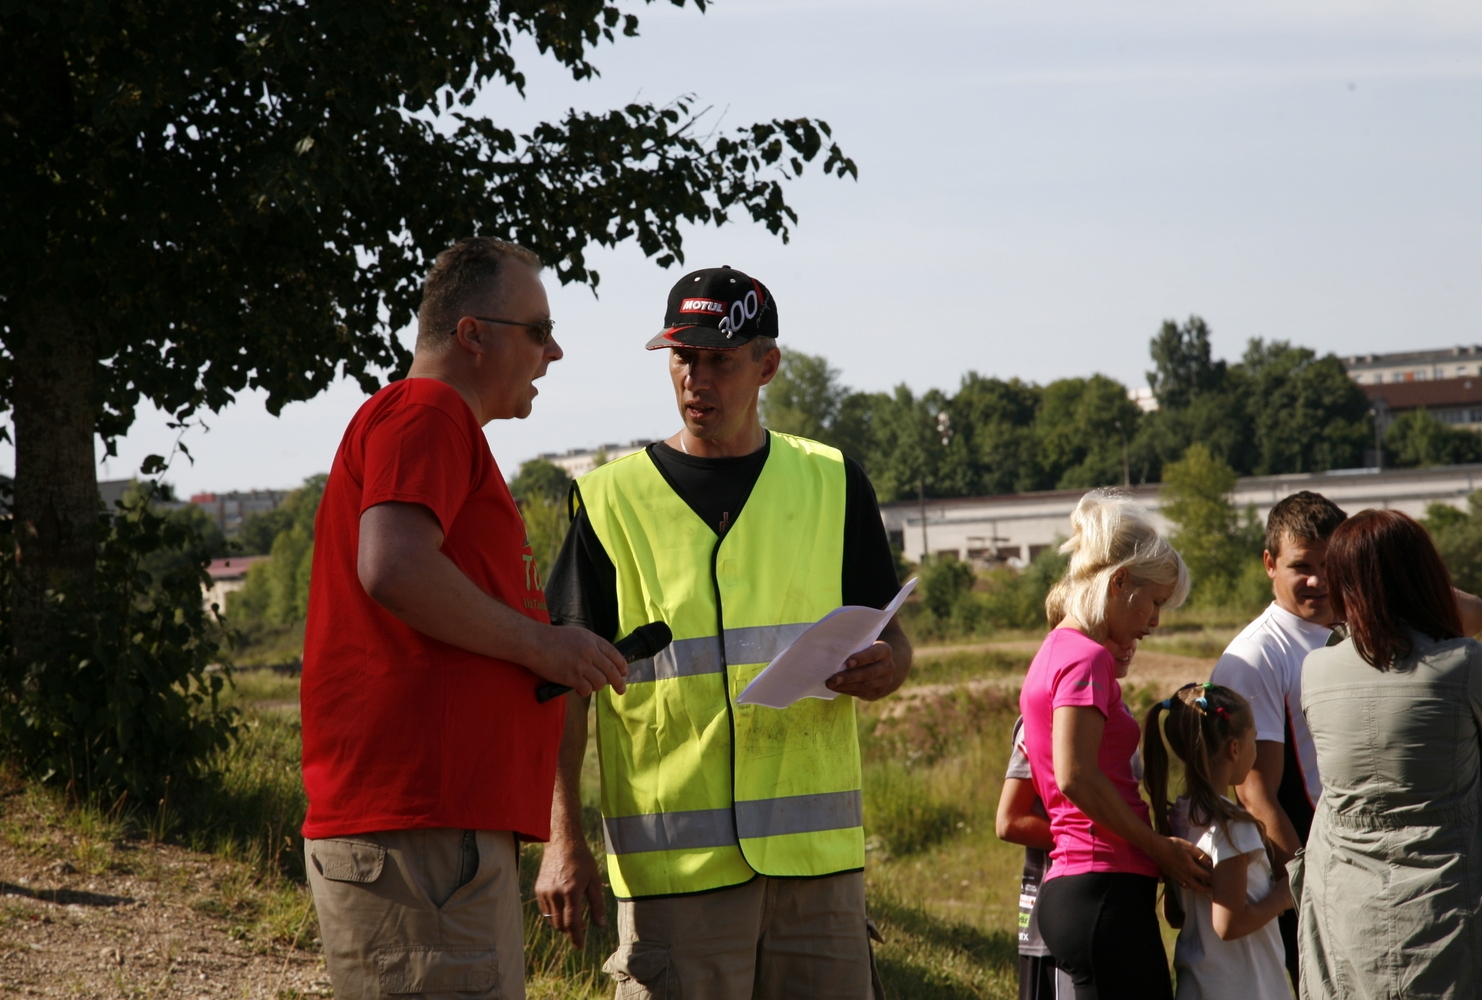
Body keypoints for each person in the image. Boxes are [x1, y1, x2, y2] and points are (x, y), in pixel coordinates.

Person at [537, 265, 912, 1000]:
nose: (695, 380)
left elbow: (891, 635)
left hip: (818, 874)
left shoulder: (834, 482)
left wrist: (886, 666)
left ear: (766, 365)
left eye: (720, 360)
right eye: (683, 358)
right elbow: (561, 689)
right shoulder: (611, 501)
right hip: (675, 877)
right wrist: (563, 840)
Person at [298, 238, 629, 1000]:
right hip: (421, 838)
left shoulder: (432, 424)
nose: (556, 351)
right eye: (538, 331)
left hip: (429, 838)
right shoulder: (429, 410)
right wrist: (541, 646)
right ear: (472, 335)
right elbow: (394, 565)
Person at [1210, 490, 1482, 987]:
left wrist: (1390, 577)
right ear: (1269, 564)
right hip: (1329, 866)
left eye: (1330, 564)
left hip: (1369, 865)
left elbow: (1476, 614)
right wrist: (1301, 889)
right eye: (1302, 567)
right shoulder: (1256, 656)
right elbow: (1258, 795)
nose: (1318, 581)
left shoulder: (1354, 627)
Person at [1295, 509, 1482, 1000]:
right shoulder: (1463, 664)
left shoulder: (1316, 670)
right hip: (1452, 907)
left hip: (1348, 912)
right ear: (1424, 574)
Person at [1021, 490, 1212, 1000]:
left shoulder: (1056, 649)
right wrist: (1160, 849)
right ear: (1120, 581)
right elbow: (1075, 775)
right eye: (1154, 602)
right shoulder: (1087, 659)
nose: (1155, 621)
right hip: (1102, 882)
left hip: (1083, 883)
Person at [996, 639, 1136, 1000]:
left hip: (1110, 900)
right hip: (1060, 915)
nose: (1130, 643)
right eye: (1114, 634)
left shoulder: (1120, 716)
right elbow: (1010, 820)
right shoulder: (1045, 718)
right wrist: (1109, 838)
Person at [1143, 683, 1294, 1000]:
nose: (1255, 750)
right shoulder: (1231, 826)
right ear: (1235, 748)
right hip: (1246, 988)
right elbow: (1228, 924)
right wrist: (1284, 895)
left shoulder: (1182, 817)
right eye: (1254, 739)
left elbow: (1175, 914)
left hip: (1198, 985)